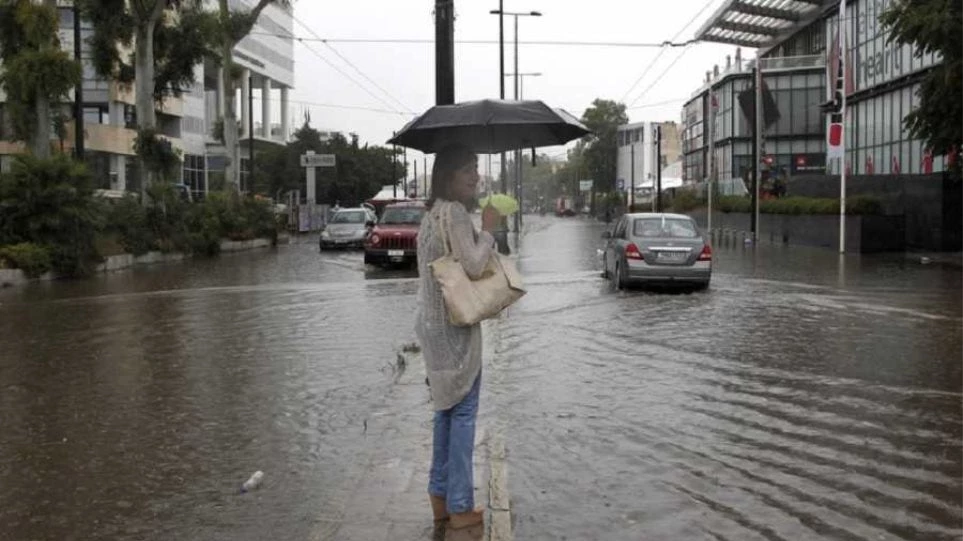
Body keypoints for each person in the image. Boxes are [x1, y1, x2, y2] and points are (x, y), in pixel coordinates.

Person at [415, 144, 494, 530]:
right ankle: (461, 506)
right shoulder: (457, 213)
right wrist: (491, 232)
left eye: (476, 167)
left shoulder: (429, 216)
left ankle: (440, 500)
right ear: (448, 175)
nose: (475, 176)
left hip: (429, 325)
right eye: (468, 169)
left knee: (444, 411)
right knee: (463, 413)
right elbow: (476, 266)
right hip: (454, 326)